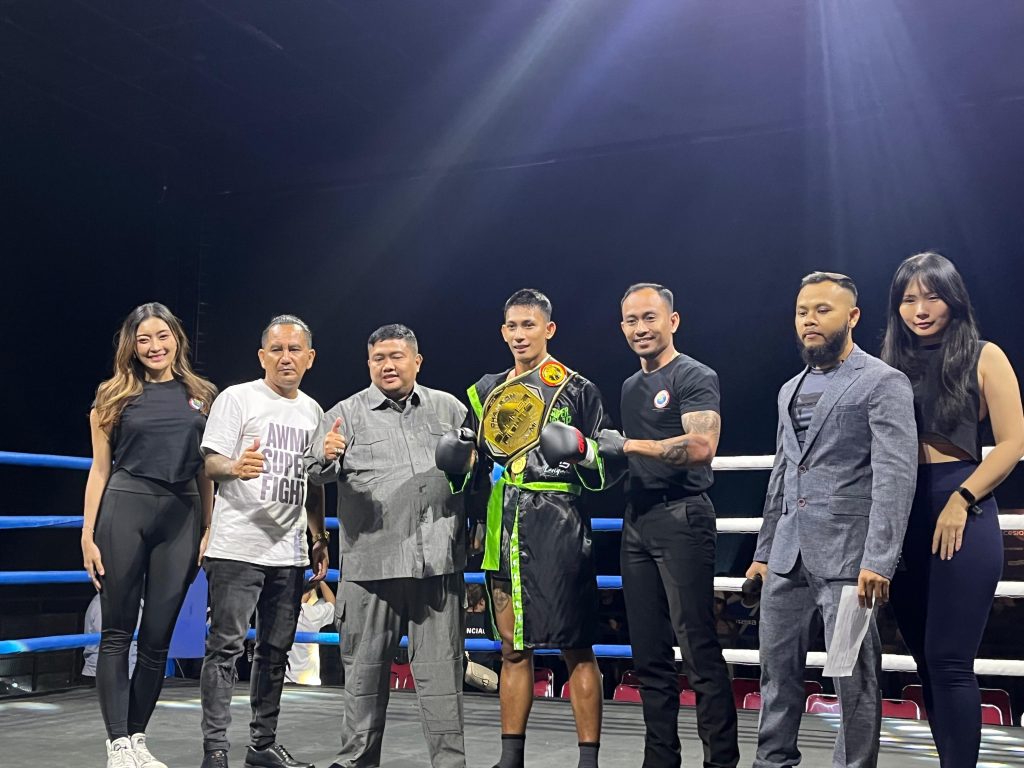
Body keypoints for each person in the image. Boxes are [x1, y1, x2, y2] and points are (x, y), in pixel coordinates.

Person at [435, 289, 615, 768]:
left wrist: (583, 450)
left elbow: (608, 466)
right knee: (512, 648)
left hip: (559, 525)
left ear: (548, 329)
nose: (520, 335)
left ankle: (588, 761)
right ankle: (510, 758)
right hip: (503, 527)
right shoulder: (487, 391)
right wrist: (457, 463)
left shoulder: (576, 389)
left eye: (529, 325)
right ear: (503, 332)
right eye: (512, 326)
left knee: (577, 647)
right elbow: (471, 464)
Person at [746, 272, 917, 768]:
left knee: (852, 678)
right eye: (803, 311)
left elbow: (895, 476)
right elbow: (782, 475)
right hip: (786, 560)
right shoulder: (789, 389)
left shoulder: (882, 382)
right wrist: (762, 553)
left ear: (852, 316)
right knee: (776, 673)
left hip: (849, 562)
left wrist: (879, 560)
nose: (810, 320)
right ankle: (772, 762)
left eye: (823, 310)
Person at [302, 324, 468, 768]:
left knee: (443, 682)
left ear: (417, 361)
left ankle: (450, 766)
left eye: (396, 356)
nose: (388, 365)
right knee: (363, 681)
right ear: (368, 363)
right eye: (378, 358)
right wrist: (326, 455)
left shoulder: (450, 409)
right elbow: (312, 472)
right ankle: (356, 763)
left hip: (436, 566)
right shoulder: (345, 413)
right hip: (371, 569)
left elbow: (474, 474)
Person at [881, 252, 1024, 766]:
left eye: (932, 297)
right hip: (900, 511)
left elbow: (1012, 443)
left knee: (949, 661)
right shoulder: (886, 365)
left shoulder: (985, 355)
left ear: (954, 298)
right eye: (908, 299)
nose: (920, 310)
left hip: (962, 506)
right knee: (925, 662)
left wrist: (962, 499)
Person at [82, 302, 217, 768]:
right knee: (117, 632)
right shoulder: (113, 394)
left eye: (162, 336)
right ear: (132, 346)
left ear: (176, 338)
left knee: (158, 637)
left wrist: (209, 526)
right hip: (125, 508)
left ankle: (137, 737)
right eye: (144, 339)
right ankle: (117, 743)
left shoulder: (202, 394)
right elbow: (99, 470)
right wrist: (87, 533)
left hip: (183, 515)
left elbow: (207, 470)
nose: (155, 346)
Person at [613, 283, 740, 768]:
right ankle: (660, 760)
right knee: (648, 653)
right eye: (631, 320)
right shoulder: (630, 386)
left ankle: (720, 762)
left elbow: (702, 446)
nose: (640, 328)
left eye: (649, 317)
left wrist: (628, 445)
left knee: (698, 647)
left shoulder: (694, 374)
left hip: (683, 516)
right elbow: (628, 458)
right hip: (637, 519)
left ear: (673, 320)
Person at [200, 315, 328, 768]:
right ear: (262, 356)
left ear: (309, 358)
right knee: (225, 649)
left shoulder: (313, 412)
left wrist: (319, 536)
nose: (285, 357)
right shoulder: (237, 398)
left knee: (275, 652)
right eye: (277, 349)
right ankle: (216, 749)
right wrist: (235, 467)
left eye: (294, 349)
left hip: (289, 551)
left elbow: (314, 481)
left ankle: (261, 745)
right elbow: (210, 462)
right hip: (237, 547)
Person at [286, 581, 336, 686]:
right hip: (308, 682)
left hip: (281, 680)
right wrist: (320, 580)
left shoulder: (279, 611)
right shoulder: (311, 613)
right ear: (310, 592)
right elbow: (332, 603)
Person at [83, 595, 141, 679]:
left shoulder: (134, 600)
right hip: (106, 671)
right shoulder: (104, 603)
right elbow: (111, 641)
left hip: (125, 670)